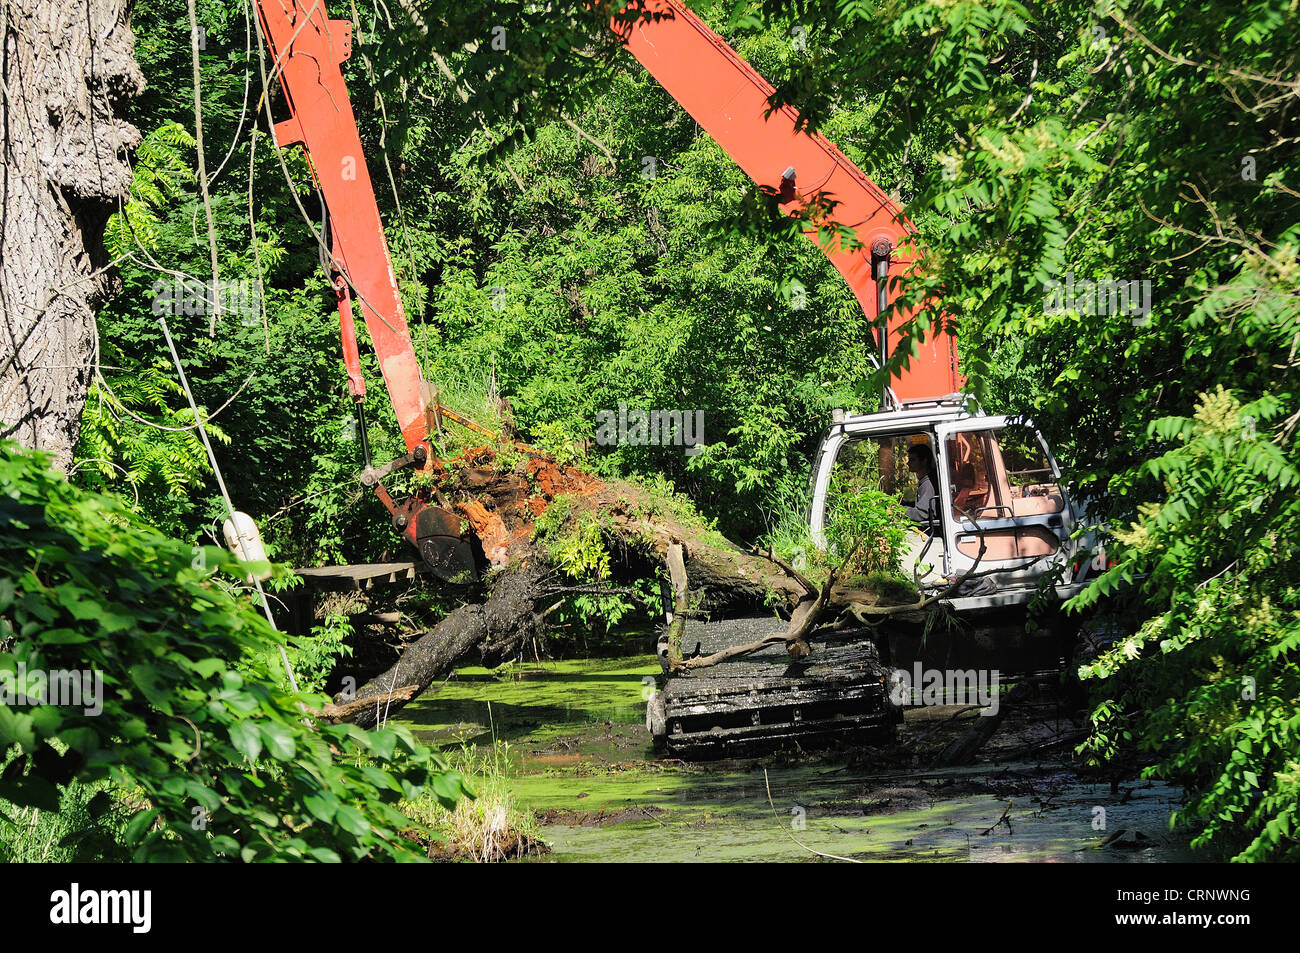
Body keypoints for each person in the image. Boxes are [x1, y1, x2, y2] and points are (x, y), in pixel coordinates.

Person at [904, 443, 937, 525]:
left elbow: (921, 514)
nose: (908, 463)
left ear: (924, 461)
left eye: (912, 460)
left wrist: (898, 510)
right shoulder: (924, 481)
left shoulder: (929, 484)